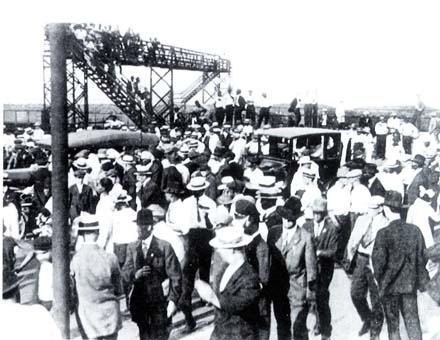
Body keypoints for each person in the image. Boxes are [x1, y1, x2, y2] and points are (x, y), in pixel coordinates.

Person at [372, 191, 430, 340]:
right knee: (413, 323)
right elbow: (423, 257)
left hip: (390, 287)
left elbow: (378, 264)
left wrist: (382, 281)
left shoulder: (383, 234)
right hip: (410, 285)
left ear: (386, 209)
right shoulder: (415, 231)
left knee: (393, 326)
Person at [122, 209, 182, 340]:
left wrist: (172, 301)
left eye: (140, 225)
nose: (137, 229)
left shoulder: (164, 246)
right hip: (140, 304)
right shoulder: (132, 247)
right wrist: (135, 275)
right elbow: (125, 274)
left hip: (160, 304)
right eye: (137, 225)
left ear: (149, 227)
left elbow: (176, 277)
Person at [195, 226, 261, 340]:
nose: (218, 251)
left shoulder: (250, 276)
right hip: (221, 333)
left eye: (221, 248)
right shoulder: (225, 268)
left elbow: (238, 304)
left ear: (232, 250)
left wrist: (212, 298)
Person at [267, 197, 317, 340]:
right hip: (278, 290)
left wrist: (311, 298)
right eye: (284, 217)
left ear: (296, 218)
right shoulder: (273, 233)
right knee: (282, 327)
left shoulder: (306, 237)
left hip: (297, 290)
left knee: (298, 328)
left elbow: (312, 270)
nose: (287, 221)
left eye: (290, 218)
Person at [70, 214, 123, 340]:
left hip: (88, 316)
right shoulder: (110, 258)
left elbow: (72, 290)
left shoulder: (76, 260)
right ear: (98, 232)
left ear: (81, 235)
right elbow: (119, 289)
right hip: (110, 314)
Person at [346, 196, 388, 340]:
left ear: (381, 208)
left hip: (376, 263)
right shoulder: (361, 220)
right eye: (368, 207)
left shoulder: (386, 224)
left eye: (373, 208)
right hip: (361, 259)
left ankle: (375, 332)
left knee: (376, 299)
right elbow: (352, 239)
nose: (369, 211)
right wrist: (350, 259)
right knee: (355, 293)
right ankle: (367, 318)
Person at [303, 198, 340, 340]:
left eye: (319, 213)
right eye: (314, 213)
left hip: (324, 269)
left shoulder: (331, 229)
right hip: (310, 268)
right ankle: (314, 324)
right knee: (310, 297)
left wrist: (318, 253)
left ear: (324, 214)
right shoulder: (306, 226)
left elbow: (333, 251)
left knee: (322, 298)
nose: (316, 216)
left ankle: (325, 329)